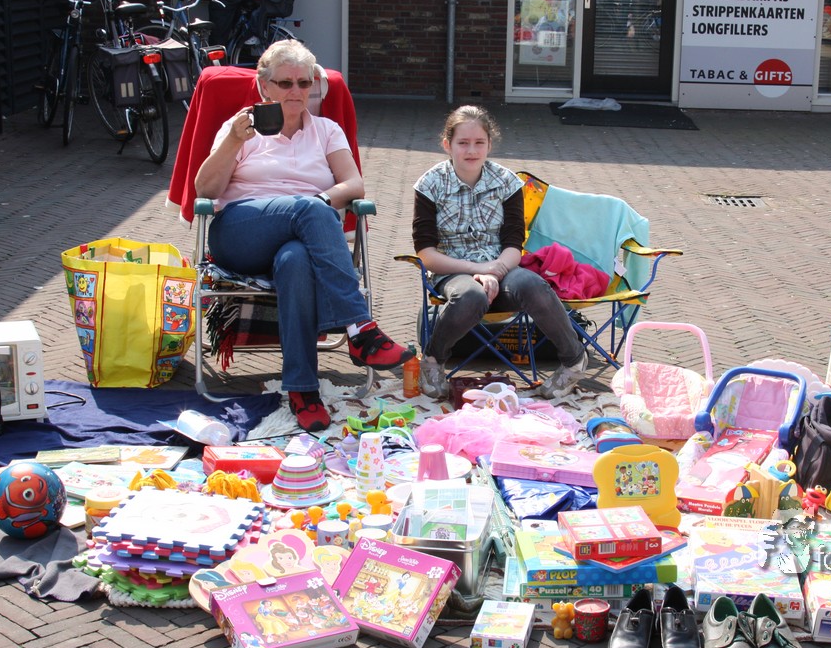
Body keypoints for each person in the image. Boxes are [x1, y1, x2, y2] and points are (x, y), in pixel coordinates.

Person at [195, 39, 414, 431]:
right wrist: (234, 141)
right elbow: (205, 190)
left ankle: (302, 389)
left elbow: (353, 184)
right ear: (264, 85)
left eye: (304, 82)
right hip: (241, 235)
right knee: (309, 208)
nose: (296, 91)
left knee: (295, 260)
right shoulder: (240, 128)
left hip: (303, 240)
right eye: (285, 83)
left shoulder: (326, 130)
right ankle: (359, 327)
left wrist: (319, 202)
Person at [411, 105, 588, 400]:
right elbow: (426, 254)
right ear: (447, 144)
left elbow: (513, 245)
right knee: (471, 295)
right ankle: (432, 360)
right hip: (452, 271)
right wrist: (478, 271)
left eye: (479, 142)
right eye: (463, 142)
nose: (471, 150)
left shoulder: (507, 182)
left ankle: (573, 361)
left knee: (532, 284)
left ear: (489, 144)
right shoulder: (429, 185)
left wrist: (496, 270)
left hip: (502, 267)